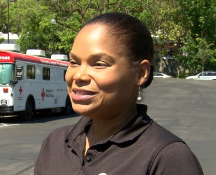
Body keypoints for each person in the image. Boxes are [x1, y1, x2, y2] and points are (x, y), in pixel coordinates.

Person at [34, 12, 203, 175]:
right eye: (74, 62)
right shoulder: (55, 143)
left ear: (140, 73)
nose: (78, 75)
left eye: (99, 64)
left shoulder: (167, 157)